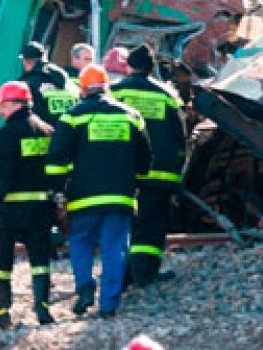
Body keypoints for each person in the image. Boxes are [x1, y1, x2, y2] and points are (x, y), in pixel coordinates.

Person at [45, 64, 150, 318]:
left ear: (82, 89)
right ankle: (108, 306)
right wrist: (135, 180)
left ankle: (84, 288)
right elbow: (145, 159)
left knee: (80, 243)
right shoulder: (131, 116)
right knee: (115, 247)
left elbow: (56, 160)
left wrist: (57, 190)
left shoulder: (73, 116)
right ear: (107, 87)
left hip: (83, 197)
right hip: (120, 197)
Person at [0, 81, 57, 329]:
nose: (0, 111)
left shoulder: (6, 134)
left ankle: (1, 311)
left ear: (15, 104)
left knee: (3, 262)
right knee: (40, 260)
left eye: (2, 105)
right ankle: (43, 308)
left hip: (11, 209)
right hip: (41, 208)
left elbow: (2, 173)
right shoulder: (47, 131)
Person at [110, 46, 186, 286]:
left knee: (123, 223)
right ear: (152, 69)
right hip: (161, 173)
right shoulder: (167, 95)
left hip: (125, 172)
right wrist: (178, 165)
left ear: (128, 67)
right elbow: (180, 138)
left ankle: (121, 275)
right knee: (152, 224)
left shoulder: (115, 93)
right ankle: (146, 273)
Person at [18, 42, 77, 130]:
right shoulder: (64, 77)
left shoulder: (29, 82)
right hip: (70, 132)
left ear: (26, 61)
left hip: (45, 133)